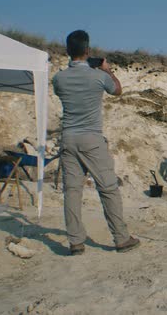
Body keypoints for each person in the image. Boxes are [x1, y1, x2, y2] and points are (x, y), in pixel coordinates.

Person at [53, 30, 139, 255]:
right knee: (108, 188)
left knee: (72, 191)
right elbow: (117, 90)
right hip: (91, 138)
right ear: (88, 51)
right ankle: (121, 238)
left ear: (68, 51)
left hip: (68, 138)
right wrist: (107, 69)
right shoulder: (98, 76)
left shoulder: (58, 78)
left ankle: (75, 242)